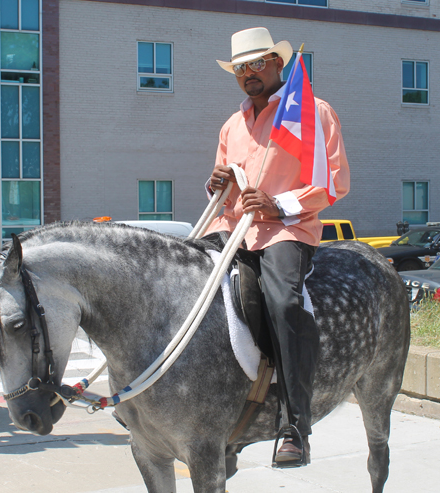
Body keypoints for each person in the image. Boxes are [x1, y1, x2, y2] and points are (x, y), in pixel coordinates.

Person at [206, 27, 350, 466]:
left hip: (286, 231)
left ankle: (295, 424)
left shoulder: (312, 112)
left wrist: (275, 205)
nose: (248, 73)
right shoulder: (232, 125)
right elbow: (226, 183)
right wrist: (218, 185)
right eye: (240, 68)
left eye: (256, 64)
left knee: (284, 304)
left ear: (277, 64)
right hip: (231, 227)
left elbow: (334, 183)